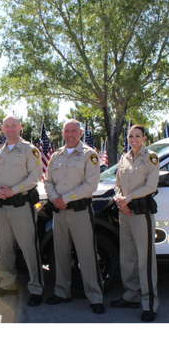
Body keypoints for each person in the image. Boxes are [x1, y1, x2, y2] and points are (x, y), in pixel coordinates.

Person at [44, 119, 104, 314]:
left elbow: (90, 185)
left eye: (74, 131)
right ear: (62, 133)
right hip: (60, 213)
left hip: (80, 212)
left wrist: (65, 199)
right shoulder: (56, 155)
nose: (70, 135)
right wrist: (55, 199)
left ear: (80, 133)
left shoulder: (89, 155)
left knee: (87, 254)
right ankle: (62, 292)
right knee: (60, 253)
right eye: (66, 131)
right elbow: (48, 182)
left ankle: (95, 297)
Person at [0, 115, 44, 307]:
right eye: (7, 126)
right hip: (2, 209)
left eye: (14, 126)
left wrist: (13, 190)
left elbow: (34, 177)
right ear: (2, 129)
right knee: (4, 248)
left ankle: (36, 287)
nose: (10, 129)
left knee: (29, 248)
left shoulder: (30, 150)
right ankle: (7, 284)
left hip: (22, 207)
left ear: (19, 127)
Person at [111, 124, 160, 322]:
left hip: (141, 213)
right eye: (131, 136)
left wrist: (127, 198)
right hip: (125, 212)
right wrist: (119, 199)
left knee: (145, 260)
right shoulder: (124, 158)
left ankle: (149, 304)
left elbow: (151, 186)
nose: (134, 139)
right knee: (127, 257)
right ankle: (131, 295)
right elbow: (116, 184)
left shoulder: (150, 158)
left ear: (144, 138)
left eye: (137, 136)